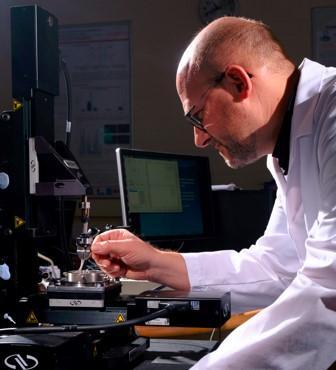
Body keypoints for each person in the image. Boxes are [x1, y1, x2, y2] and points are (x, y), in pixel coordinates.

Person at [91, 16, 336, 369]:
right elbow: (280, 266)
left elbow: (328, 294)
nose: (200, 138)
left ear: (238, 82)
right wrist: (156, 263)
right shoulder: (290, 145)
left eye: (197, 116)